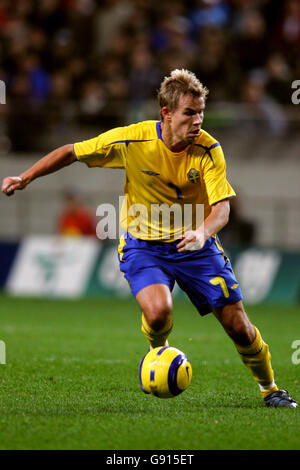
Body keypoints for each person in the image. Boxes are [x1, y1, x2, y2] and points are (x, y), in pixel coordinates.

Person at [2, 69, 297, 408]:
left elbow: (222, 211)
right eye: (189, 113)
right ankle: (157, 352)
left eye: (201, 112)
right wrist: (25, 177)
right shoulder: (133, 141)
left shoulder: (208, 150)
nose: (198, 120)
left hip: (195, 246)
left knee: (239, 327)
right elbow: (72, 151)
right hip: (144, 246)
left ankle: (270, 388)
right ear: (167, 114)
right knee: (158, 314)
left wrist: (202, 232)